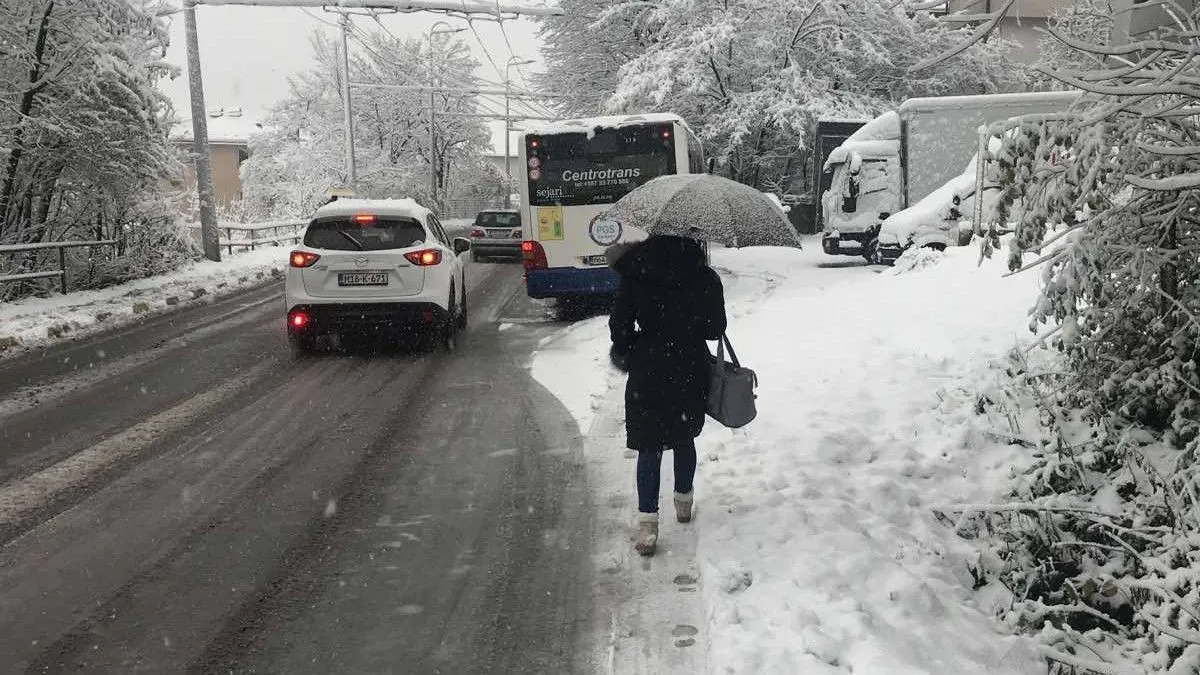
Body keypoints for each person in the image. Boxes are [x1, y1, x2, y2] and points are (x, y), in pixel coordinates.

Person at [606, 235, 727, 556]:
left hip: (649, 367)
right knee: (683, 436)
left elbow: (619, 324)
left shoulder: (636, 270)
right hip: (689, 366)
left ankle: (648, 525)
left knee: (649, 443)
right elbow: (716, 328)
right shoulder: (703, 275)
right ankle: (683, 502)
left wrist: (631, 349)